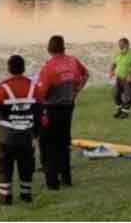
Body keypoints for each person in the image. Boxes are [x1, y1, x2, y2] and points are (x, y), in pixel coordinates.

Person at [0, 55, 42, 205]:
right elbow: (39, 113)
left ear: (9, 68)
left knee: (5, 165)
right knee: (26, 164)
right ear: (23, 69)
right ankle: (26, 195)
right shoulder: (33, 87)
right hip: (26, 135)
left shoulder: (3, 88)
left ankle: (5, 197)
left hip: (7, 136)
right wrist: (35, 132)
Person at [35, 35, 89, 190]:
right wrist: (76, 91)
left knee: (47, 144)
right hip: (68, 107)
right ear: (64, 47)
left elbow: (41, 93)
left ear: (49, 49)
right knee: (63, 143)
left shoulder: (48, 67)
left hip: (51, 109)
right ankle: (66, 178)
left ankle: (52, 182)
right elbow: (86, 75)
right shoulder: (73, 61)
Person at [109, 37, 131, 119]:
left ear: (127, 44)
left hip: (128, 79)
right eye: (119, 45)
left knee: (128, 96)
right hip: (119, 78)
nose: (120, 47)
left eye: (122, 45)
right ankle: (119, 109)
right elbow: (114, 63)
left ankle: (125, 112)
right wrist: (111, 71)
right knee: (116, 95)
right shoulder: (117, 53)